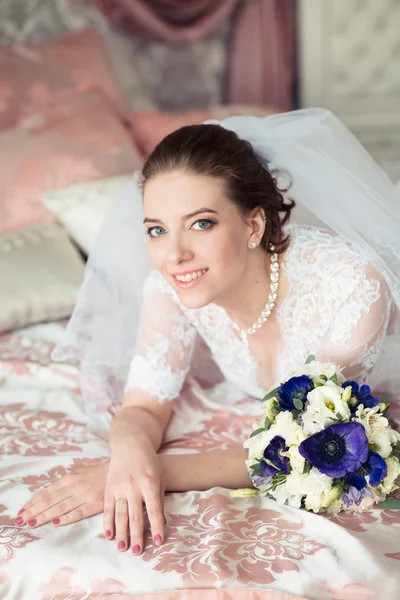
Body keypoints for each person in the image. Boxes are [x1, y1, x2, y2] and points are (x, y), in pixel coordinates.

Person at [15, 109, 400, 557]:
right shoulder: (169, 286)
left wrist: (148, 472)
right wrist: (128, 454)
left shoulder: (353, 284)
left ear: (253, 225)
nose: (174, 254)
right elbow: (142, 405)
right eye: (157, 230)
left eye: (200, 223)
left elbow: (304, 444)